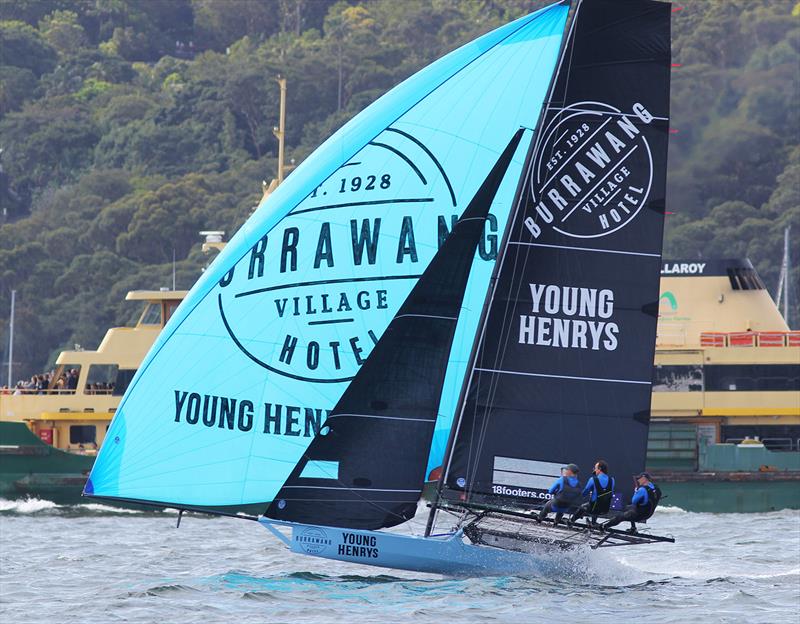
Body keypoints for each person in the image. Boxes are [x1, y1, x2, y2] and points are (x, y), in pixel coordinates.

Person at [570, 459, 615, 527]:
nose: (594, 470)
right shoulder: (612, 480)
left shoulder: (593, 479)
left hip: (594, 508)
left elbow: (584, 494)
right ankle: (593, 522)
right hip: (605, 509)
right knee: (597, 501)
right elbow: (610, 494)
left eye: (595, 468)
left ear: (599, 469)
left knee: (583, 507)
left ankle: (571, 521)